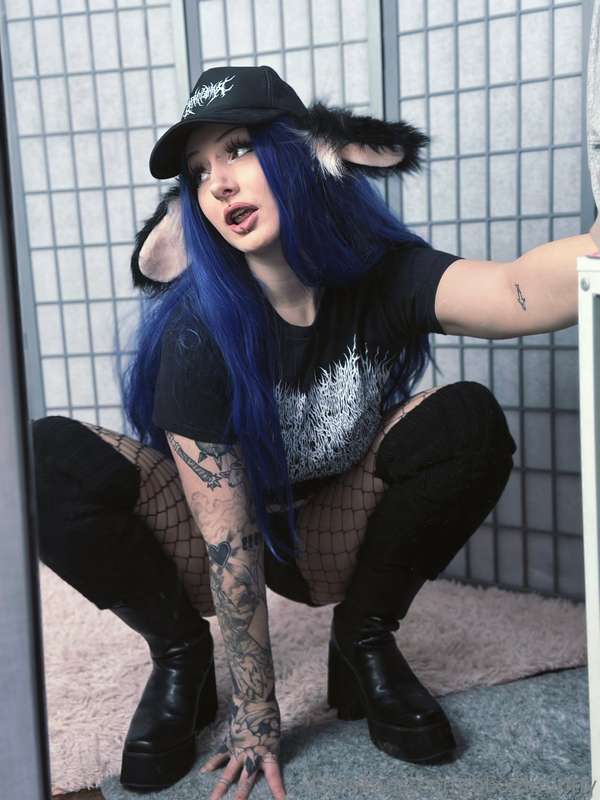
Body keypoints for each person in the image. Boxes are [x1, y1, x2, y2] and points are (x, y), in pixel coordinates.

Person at [32, 64, 597, 800]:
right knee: (43, 460)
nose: (218, 184)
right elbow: (228, 544)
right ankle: (180, 658)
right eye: (198, 173)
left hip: (325, 534)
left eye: (238, 149)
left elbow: (516, 289)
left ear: (309, 154)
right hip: (208, 543)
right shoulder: (198, 331)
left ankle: (363, 638)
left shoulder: (381, 277)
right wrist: (256, 713)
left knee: (466, 421)